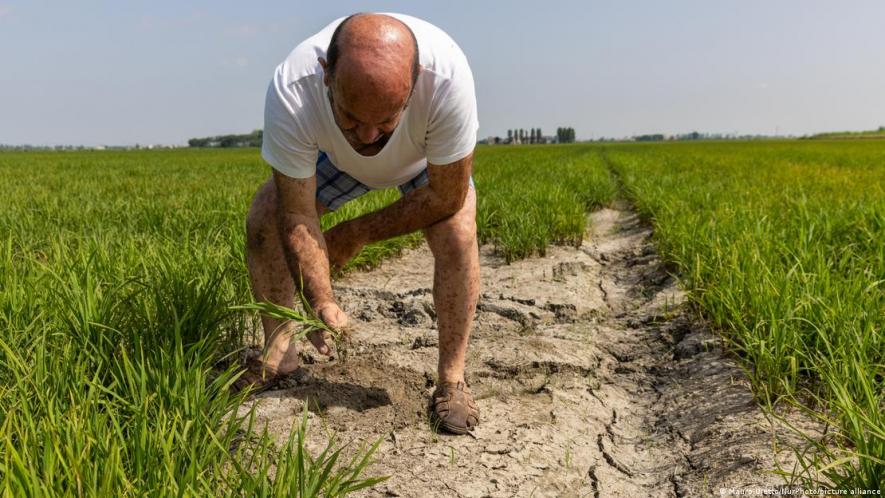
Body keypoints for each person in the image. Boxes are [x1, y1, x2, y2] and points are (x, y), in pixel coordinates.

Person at [241, 13, 480, 434]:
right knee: (264, 217)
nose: (369, 136)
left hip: (421, 160)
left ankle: (452, 380)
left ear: (415, 79)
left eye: (387, 119)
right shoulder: (292, 90)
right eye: (351, 117)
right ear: (326, 76)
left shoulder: (447, 78)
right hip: (337, 160)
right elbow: (296, 212)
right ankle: (280, 354)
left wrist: (356, 233)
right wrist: (322, 299)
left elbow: (447, 195)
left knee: (458, 233)